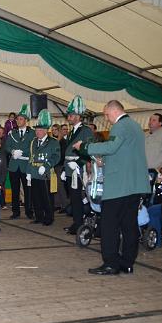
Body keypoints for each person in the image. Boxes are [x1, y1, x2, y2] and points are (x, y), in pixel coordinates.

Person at [74, 100, 150, 275]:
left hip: (119, 186)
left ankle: (111, 263)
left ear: (114, 111)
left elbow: (111, 146)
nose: (107, 119)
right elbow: (124, 153)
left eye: (107, 115)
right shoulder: (136, 127)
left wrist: (85, 147)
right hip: (135, 185)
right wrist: (105, 161)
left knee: (109, 225)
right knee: (129, 225)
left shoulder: (120, 126)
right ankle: (127, 263)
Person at [62, 96, 94, 235]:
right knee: (73, 198)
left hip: (78, 169)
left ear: (78, 116)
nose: (68, 117)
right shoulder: (71, 131)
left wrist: (79, 163)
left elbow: (89, 150)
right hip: (70, 168)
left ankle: (79, 224)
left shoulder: (86, 130)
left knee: (77, 197)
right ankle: (77, 222)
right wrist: (65, 168)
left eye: (71, 115)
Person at [26, 110, 60, 226]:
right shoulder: (33, 142)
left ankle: (49, 218)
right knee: (36, 197)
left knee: (47, 197)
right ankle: (39, 217)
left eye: (40, 130)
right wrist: (28, 172)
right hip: (35, 173)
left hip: (46, 174)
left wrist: (46, 166)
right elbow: (31, 157)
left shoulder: (53, 142)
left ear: (46, 131)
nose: (37, 132)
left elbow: (56, 156)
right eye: (36, 130)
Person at [5, 104, 35, 220]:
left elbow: (33, 147)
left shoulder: (32, 133)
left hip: (26, 165)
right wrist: (12, 151)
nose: (18, 121)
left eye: (21, 119)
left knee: (28, 190)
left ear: (26, 120)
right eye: (17, 119)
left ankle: (29, 211)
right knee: (15, 190)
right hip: (14, 165)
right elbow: (7, 146)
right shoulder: (12, 133)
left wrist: (22, 152)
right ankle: (15, 212)